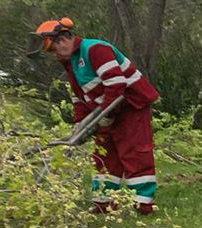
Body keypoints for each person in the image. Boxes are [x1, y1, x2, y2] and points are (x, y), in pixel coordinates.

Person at [28, 18, 160, 214]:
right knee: (103, 158)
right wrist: (79, 124)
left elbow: (116, 86)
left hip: (130, 108)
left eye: (53, 50)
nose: (54, 56)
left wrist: (105, 117)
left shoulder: (95, 49)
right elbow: (79, 97)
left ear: (62, 40)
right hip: (106, 111)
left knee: (134, 154)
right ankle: (103, 203)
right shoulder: (71, 63)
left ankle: (143, 205)